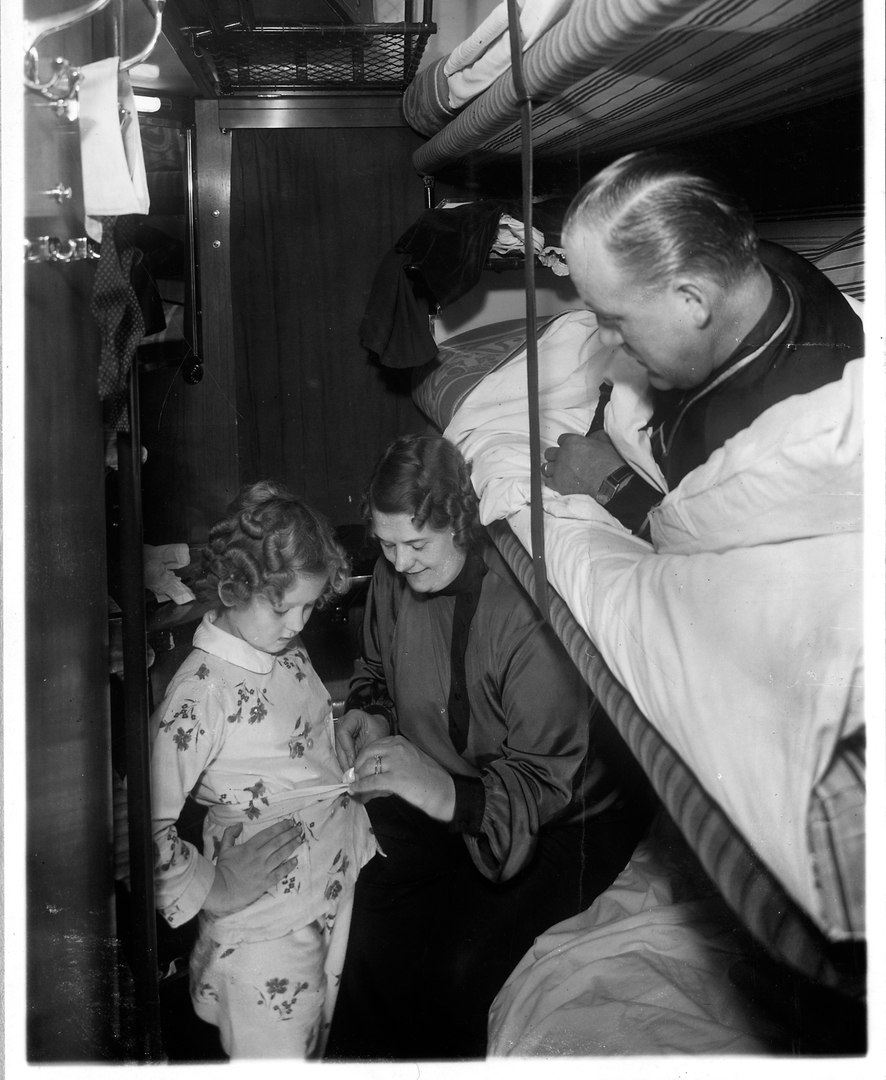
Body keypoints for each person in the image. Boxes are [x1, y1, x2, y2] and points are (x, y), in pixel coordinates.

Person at [324, 434, 653, 1061]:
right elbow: (377, 669)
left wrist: (443, 792)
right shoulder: (395, 575)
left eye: (416, 545)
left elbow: (544, 777)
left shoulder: (526, 612)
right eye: (387, 546)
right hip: (450, 783)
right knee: (370, 908)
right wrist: (372, 713)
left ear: (459, 523)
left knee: (457, 970)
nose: (400, 564)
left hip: (563, 815)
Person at [150, 481, 377, 1059]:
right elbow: (145, 827)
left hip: (329, 884)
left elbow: (284, 739)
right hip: (267, 922)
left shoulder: (279, 645)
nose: (298, 623)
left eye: (308, 606)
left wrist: (332, 736)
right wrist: (216, 885)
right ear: (235, 586)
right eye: (284, 608)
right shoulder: (201, 694)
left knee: (315, 1042)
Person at [543, 150, 864, 532]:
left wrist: (610, 484)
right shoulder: (753, 262)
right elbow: (622, 376)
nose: (604, 336)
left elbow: (710, 546)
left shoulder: (762, 439)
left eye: (615, 319)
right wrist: (603, 433)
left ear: (693, 302)